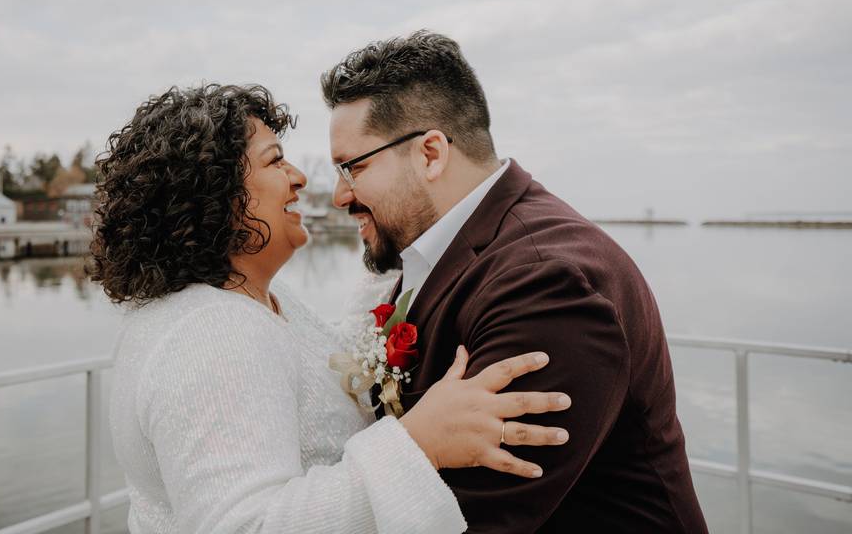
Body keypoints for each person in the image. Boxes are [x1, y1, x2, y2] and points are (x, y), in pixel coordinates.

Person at [90, 84, 573, 533]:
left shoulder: (252, 304)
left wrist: (403, 229)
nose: (299, 177)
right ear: (216, 193)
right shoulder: (212, 332)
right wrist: (420, 442)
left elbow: (322, 364)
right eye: (276, 161)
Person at [322, 31, 709, 533]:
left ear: (431, 154)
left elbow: (467, 519)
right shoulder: (445, 253)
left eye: (352, 167)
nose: (338, 196)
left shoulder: (546, 282)